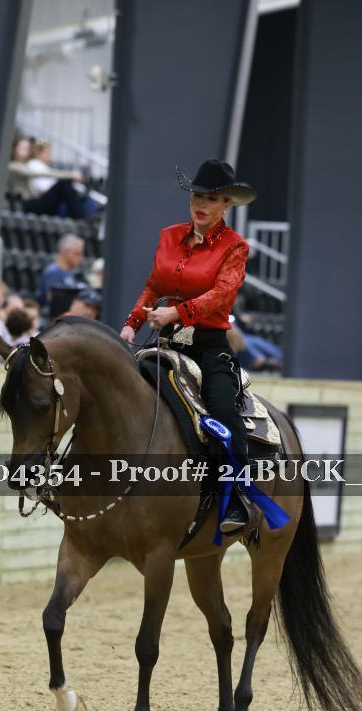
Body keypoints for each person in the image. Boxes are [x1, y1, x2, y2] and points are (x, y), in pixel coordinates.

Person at [120, 159, 257, 533]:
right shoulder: (169, 236)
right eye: (197, 197)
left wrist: (178, 313)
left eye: (211, 199)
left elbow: (222, 294)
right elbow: (154, 286)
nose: (202, 204)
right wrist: (131, 324)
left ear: (226, 204)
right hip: (164, 341)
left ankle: (237, 495)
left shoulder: (235, 246)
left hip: (208, 347)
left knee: (223, 410)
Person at [7, 137, 85, 219]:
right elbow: (39, 174)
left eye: (28, 149)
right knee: (63, 183)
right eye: (23, 148)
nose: (26, 152)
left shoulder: (26, 165)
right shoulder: (13, 166)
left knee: (67, 188)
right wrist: (70, 174)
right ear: (14, 149)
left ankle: (80, 214)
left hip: (35, 202)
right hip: (27, 205)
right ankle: (80, 218)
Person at [38, 233, 87, 309]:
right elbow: (53, 300)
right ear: (65, 252)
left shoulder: (70, 273)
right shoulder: (52, 272)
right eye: (77, 254)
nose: (80, 258)